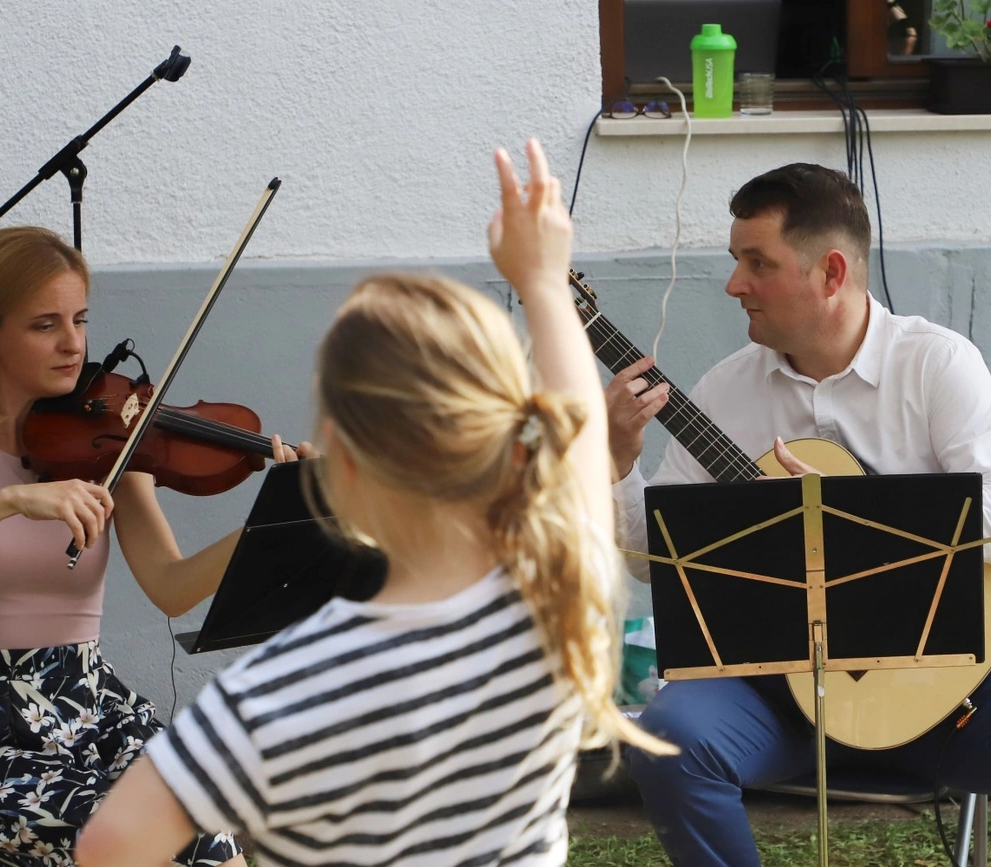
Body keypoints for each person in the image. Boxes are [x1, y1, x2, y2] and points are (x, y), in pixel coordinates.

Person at [72, 139, 677, 867]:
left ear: (342, 464)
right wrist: (543, 281)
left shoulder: (283, 685)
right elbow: (581, 446)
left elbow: (108, 847)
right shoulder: (549, 607)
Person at [608, 163, 991, 867]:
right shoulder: (727, 389)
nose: (735, 284)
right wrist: (618, 459)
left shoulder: (935, 365)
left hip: (923, 680)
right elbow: (652, 553)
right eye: (737, 261)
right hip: (768, 692)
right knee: (671, 739)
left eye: (756, 263)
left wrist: (847, 515)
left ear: (831, 272)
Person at [0, 226, 312, 866]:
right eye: (45, 325)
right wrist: (10, 500)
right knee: (131, 844)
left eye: (80, 319)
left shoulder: (114, 445)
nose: (74, 344)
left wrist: (273, 520)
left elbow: (172, 587)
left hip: (93, 708)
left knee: (210, 838)